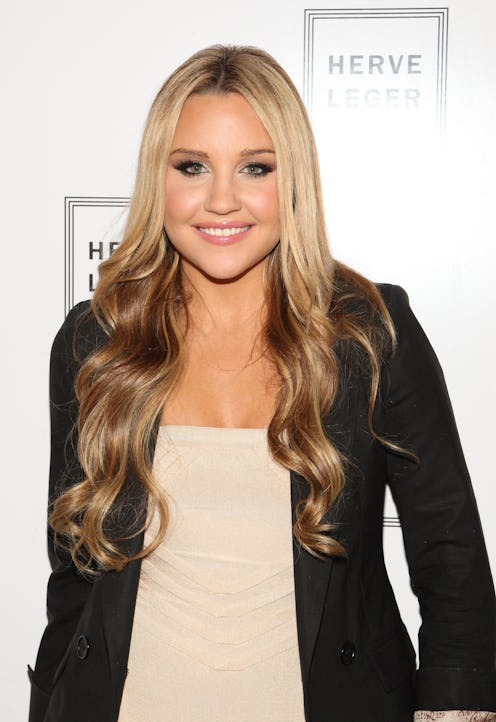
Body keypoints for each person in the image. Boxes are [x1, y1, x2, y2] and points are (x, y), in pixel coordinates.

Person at [29, 45, 495, 722]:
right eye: (192, 166)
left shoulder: (368, 335)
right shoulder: (97, 342)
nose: (222, 198)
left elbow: (453, 568)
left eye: (255, 167)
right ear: (158, 178)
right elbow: (74, 574)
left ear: (293, 178)